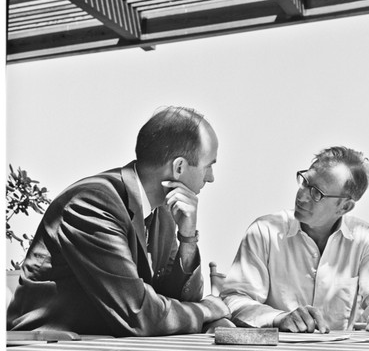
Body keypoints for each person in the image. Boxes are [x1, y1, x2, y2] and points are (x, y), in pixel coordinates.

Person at [7, 106, 231, 337]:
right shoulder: (93, 203)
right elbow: (138, 314)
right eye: (208, 166)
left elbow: (178, 305)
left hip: (104, 348)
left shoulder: (164, 215)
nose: (211, 177)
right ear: (179, 167)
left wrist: (187, 238)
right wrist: (205, 310)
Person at [219, 146, 369, 337]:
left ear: (345, 207)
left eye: (316, 192)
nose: (302, 195)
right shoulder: (264, 232)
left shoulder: (365, 239)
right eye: (305, 181)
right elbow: (235, 299)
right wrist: (278, 319)